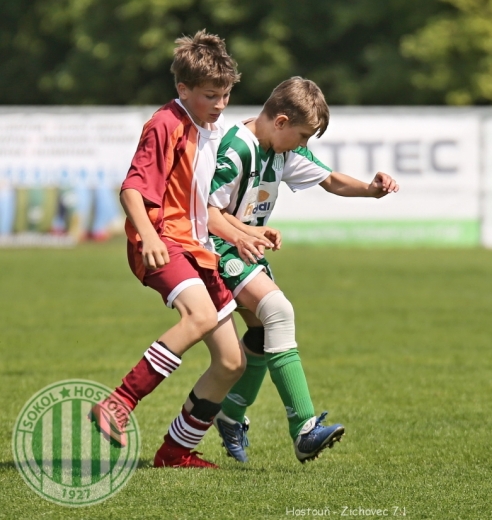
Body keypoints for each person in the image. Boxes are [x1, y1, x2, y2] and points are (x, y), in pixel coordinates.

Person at [88, 30, 271, 469]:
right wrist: (148, 237)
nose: (220, 104)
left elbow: (208, 205)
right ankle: (118, 402)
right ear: (182, 88)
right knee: (201, 316)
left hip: (199, 248)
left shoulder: (215, 129)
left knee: (230, 362)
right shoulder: (165, 123)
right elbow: (132, 188)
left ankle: (174, 453)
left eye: (226, 95)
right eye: (211, 95)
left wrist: (243, 232)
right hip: (165, 242)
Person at [207, 76, 399, 463]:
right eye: (303, 136)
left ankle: (230, 415)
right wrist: (245, 233)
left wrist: (370, 189)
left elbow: (329, 180)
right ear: (280, 122)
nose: (304, 146)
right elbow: (206, 212)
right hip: (218, 247)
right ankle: (304, 429)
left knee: (262, 333)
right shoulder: (236, 149)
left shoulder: (282, 150)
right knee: (278, 311)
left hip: (246, 248)